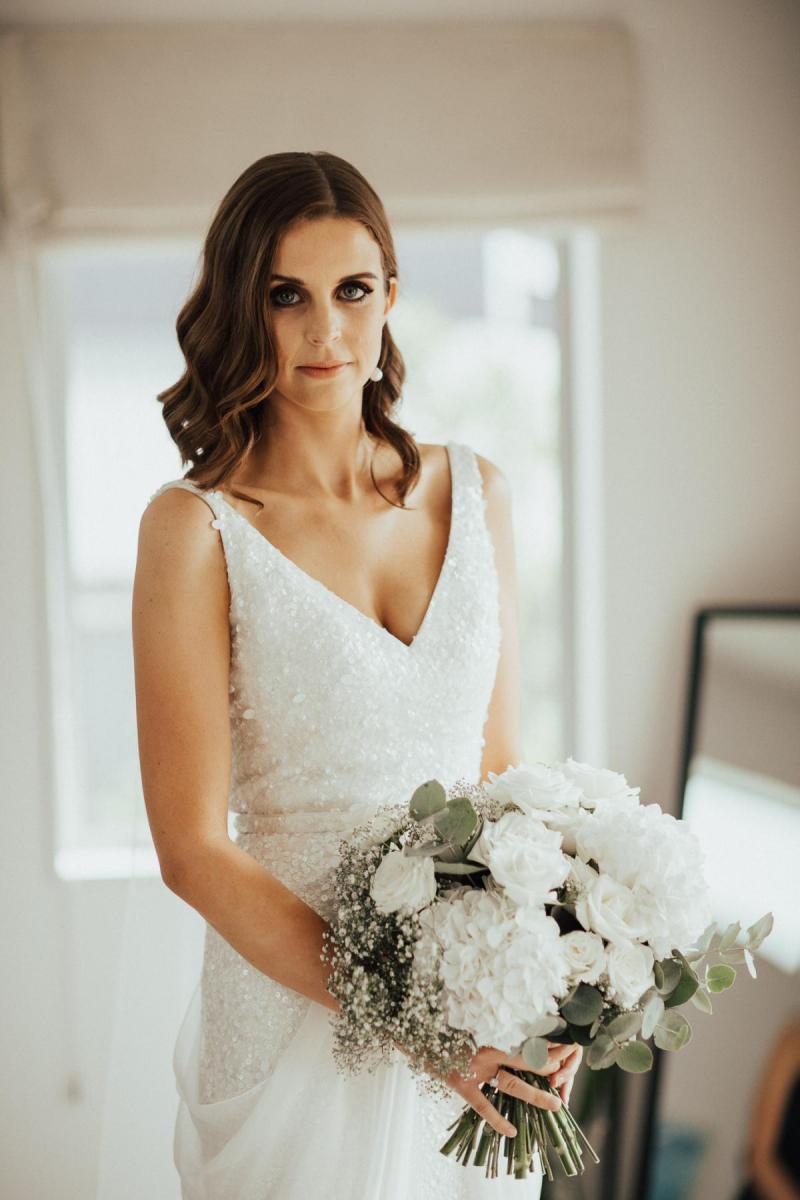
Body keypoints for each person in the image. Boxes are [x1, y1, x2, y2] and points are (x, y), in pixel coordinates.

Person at [132, 150, 583, 1199]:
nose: (323, 331)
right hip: (292, 1009)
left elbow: (500, 773)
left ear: (391, 296)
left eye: (351, 290)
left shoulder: (476, 491)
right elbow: (191, 849)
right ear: (242, 307)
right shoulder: (196, 528)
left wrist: (551, 983)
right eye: (284, 295)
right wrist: (416, 1028)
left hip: (469, 1004)